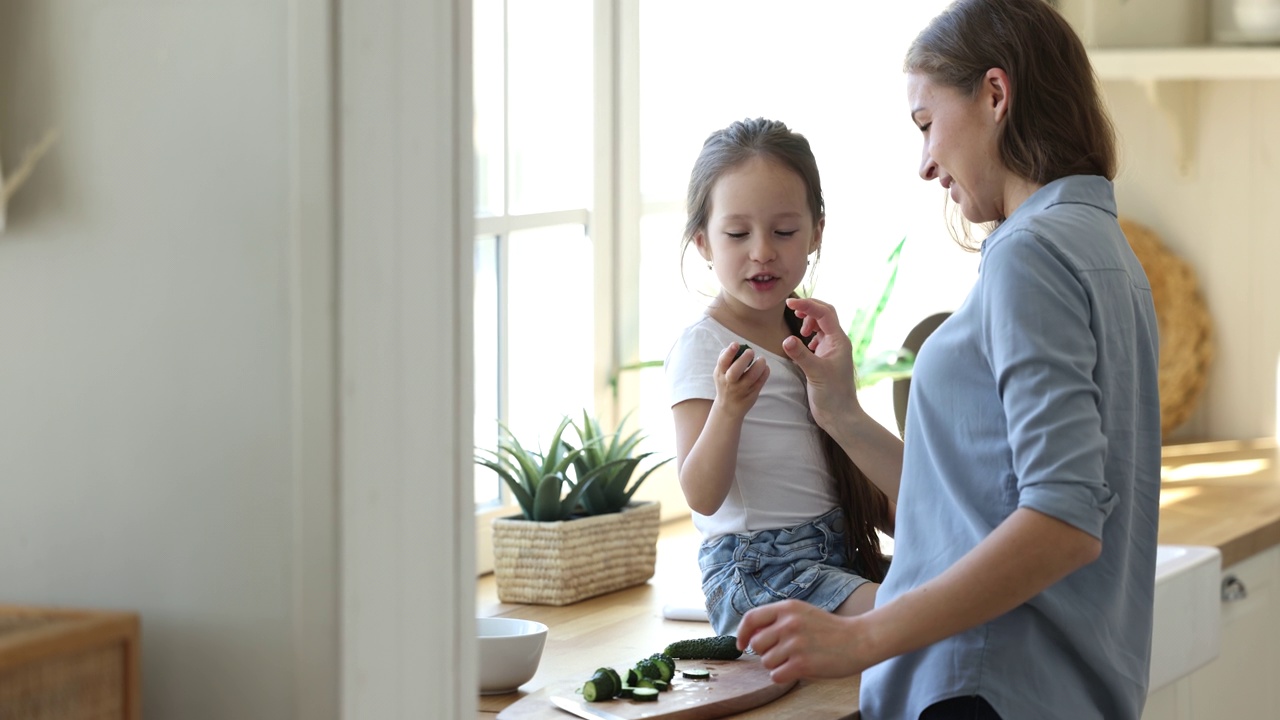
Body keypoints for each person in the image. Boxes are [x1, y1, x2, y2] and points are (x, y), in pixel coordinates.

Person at [734, 2, 1162, 719]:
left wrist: (861, 637)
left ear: (996, 95)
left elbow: (1062, 520)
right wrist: (840, 413)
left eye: (927, 123)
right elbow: (974, 506)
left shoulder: (1032, 255)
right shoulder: (1105, 252)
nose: (926, 162)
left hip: (983, 687)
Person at [663, 117, 894, 638]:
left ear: (816, 232)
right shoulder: (704, 345)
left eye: (784, 231)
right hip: (758, 572)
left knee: (964, 592)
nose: (762, 250)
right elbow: (700, 494)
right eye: (738, 233)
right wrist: (727, 409)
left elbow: (858, 475)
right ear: (702, 242)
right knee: (919, 612)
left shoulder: (811, 335)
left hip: (837, 555)